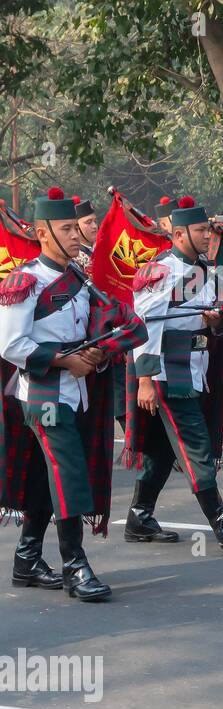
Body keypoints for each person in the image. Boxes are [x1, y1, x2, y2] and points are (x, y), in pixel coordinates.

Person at [0, 187, 145, 600]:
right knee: (69, 473)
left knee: (50, 480)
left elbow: (88, 331)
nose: (76, 235)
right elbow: (9, 345)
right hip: (43, 395)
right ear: (43, 233)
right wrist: (65, 360)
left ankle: (26, 558)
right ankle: (74, 566)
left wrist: (99, 351)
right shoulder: (24, 281)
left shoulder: (79, 277)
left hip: (77, 392)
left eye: (75, 228)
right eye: (66, 229)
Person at [122, 195, 223, 550]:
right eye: (200, 230)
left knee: (162, 450)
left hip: (193, 367)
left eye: (208, 229)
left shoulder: (203, 270)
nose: (207, 235)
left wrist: (213, 321)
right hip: (169, 371)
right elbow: (145, 327)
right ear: (179, 233)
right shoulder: (161, 270)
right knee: (196, 445)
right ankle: (221, 522)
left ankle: (139, 516)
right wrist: (146, 379)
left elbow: (206, 318)